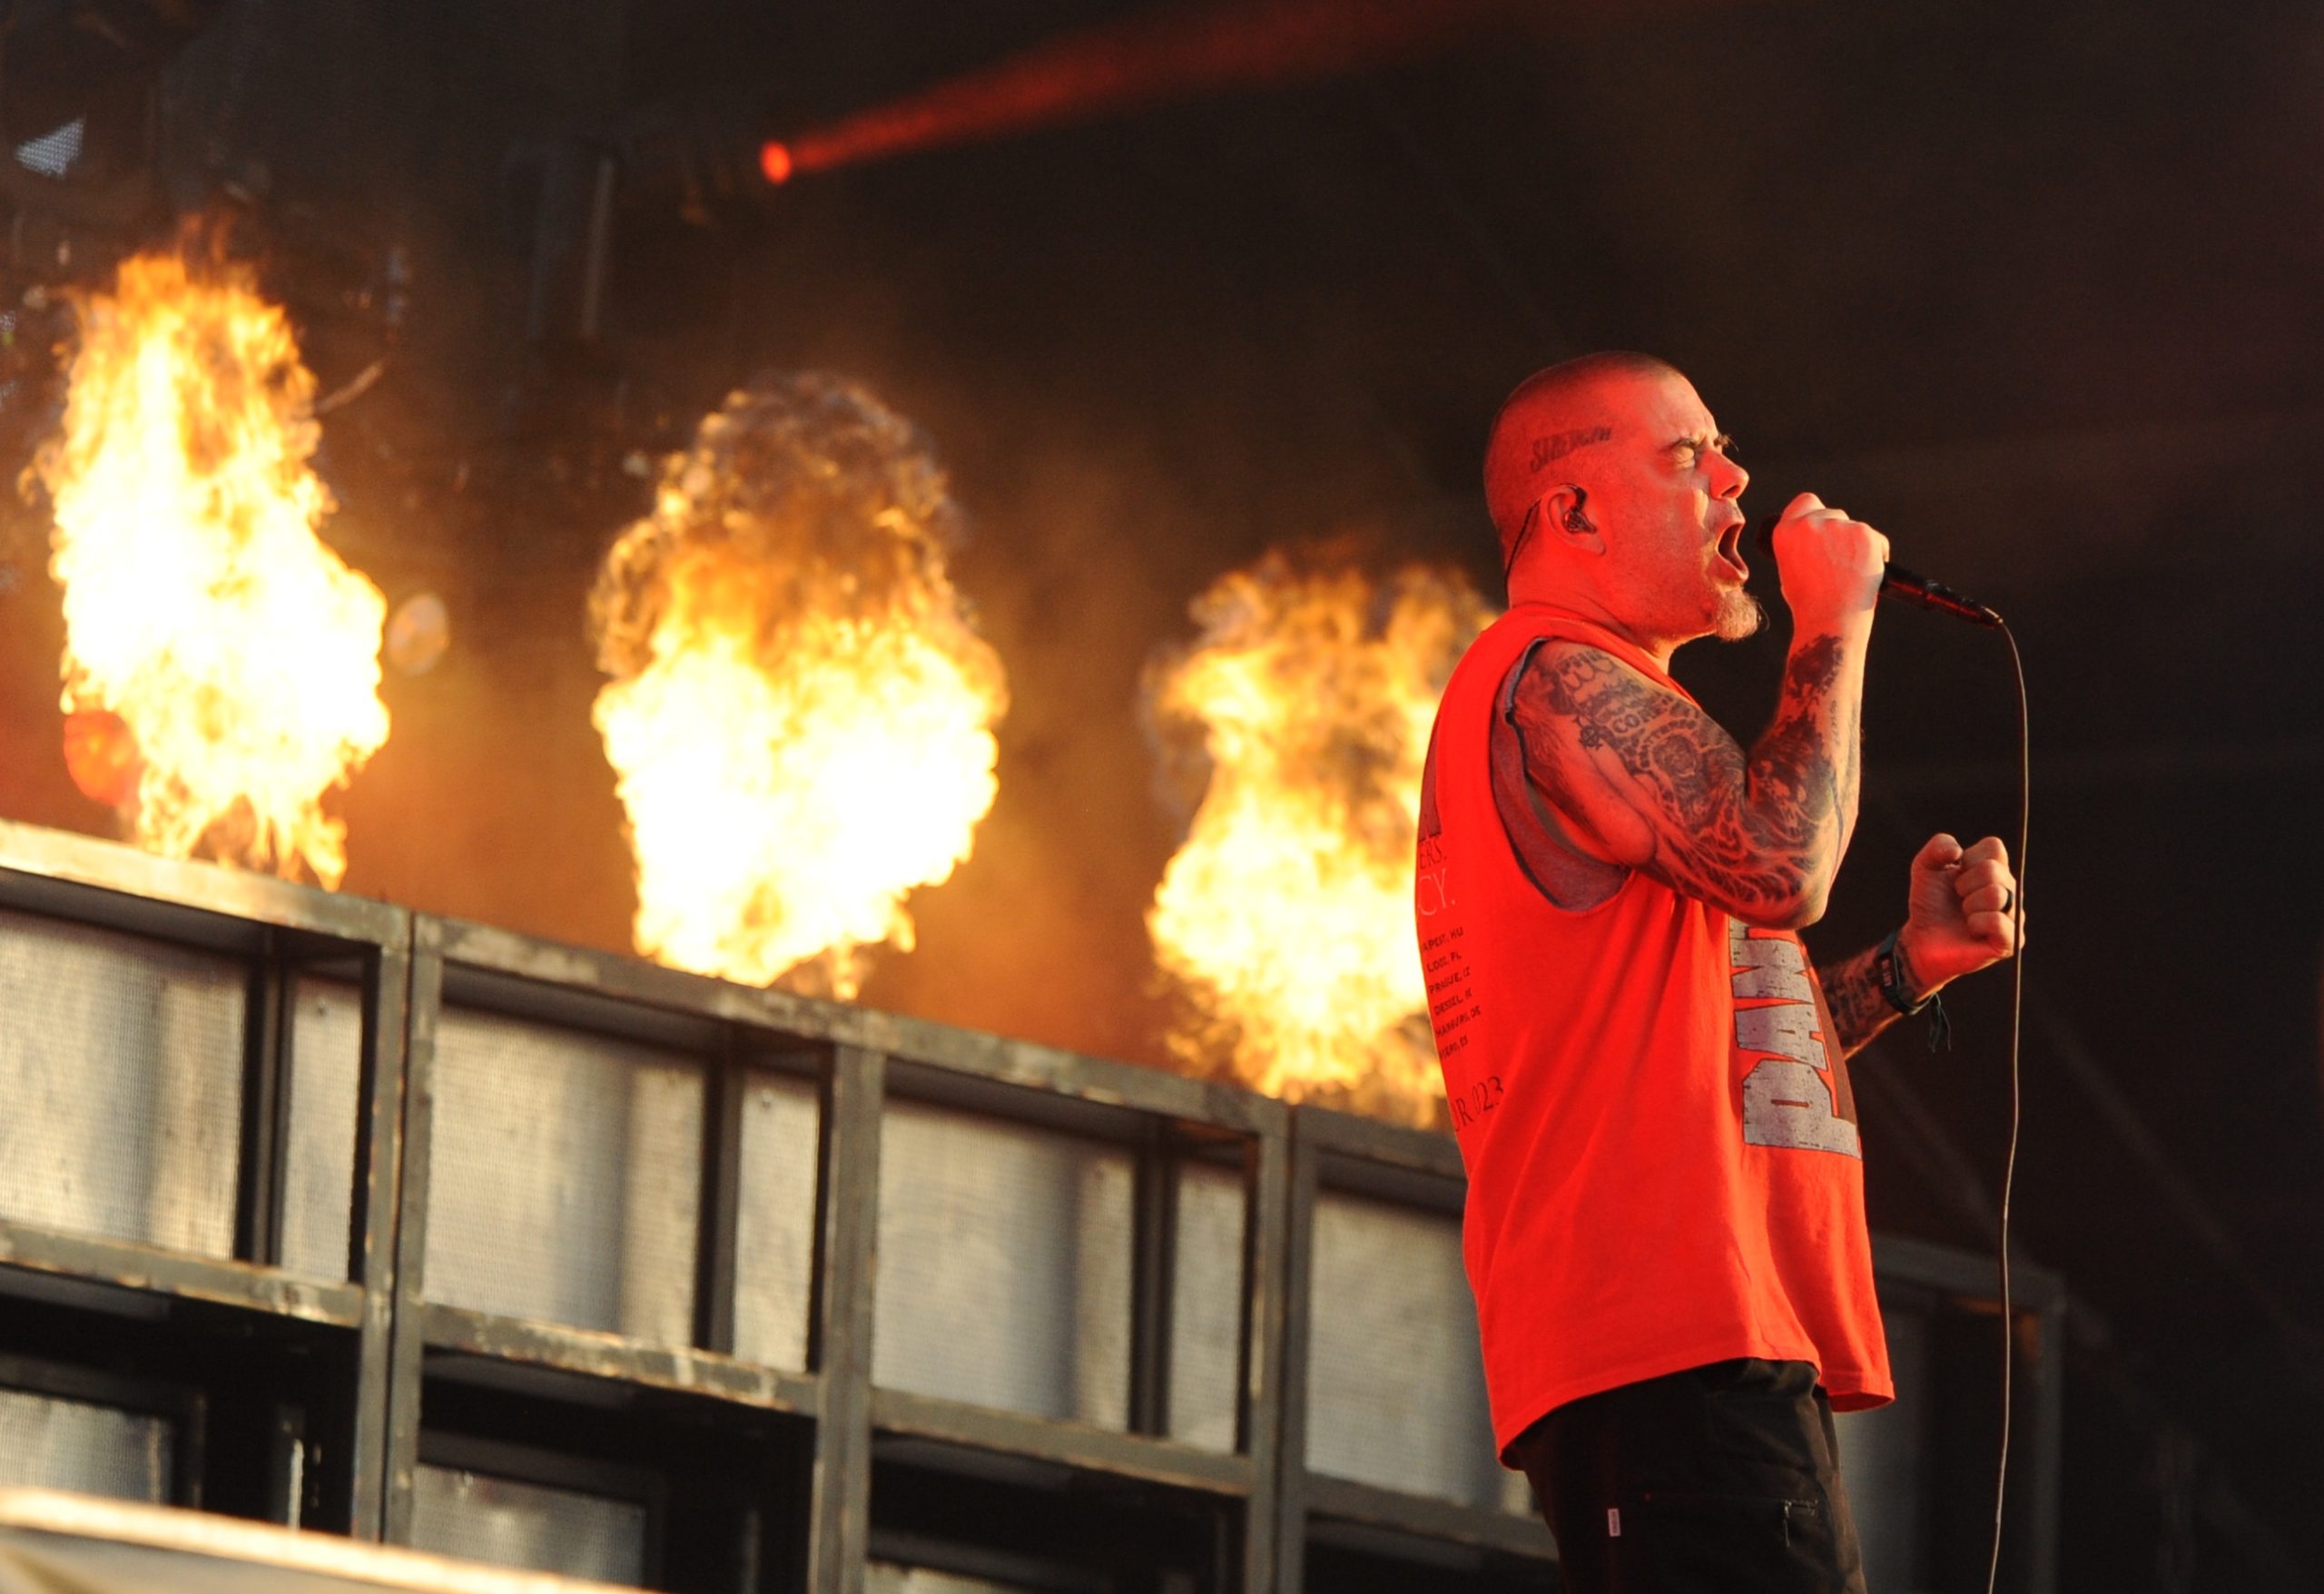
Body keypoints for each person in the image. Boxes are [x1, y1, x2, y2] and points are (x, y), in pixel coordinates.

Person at [1413, 351, 2019, 1591]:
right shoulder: (1554, 672)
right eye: (1687, 456)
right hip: (1666, 1346)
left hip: (1695, 1352)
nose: (1738, 483)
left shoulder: (1606, 708)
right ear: (1573, 509)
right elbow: (1782, 864)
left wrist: (1907, 970)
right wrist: (1835, 620)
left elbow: (1707, 1051)